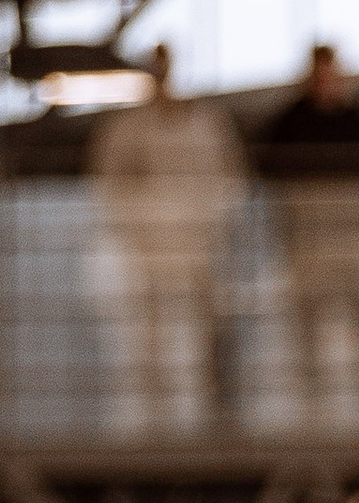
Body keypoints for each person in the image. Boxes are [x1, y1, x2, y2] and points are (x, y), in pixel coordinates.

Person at [85, 41, 248, 432]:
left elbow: (231, 181)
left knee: (205, 336)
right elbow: (106, 185)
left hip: (198, 251)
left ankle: (210, 419)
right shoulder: (125, 129)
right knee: (150, 343)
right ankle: (152, 424)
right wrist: (139, 222)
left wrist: (210, 221)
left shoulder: (209, 124)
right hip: (148, 254)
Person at [256, 42, 359, 425]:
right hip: (308, 239)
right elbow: (269, 169)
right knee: (307, 329)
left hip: (352, 239)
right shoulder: (289, 121)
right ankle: (311, 413)